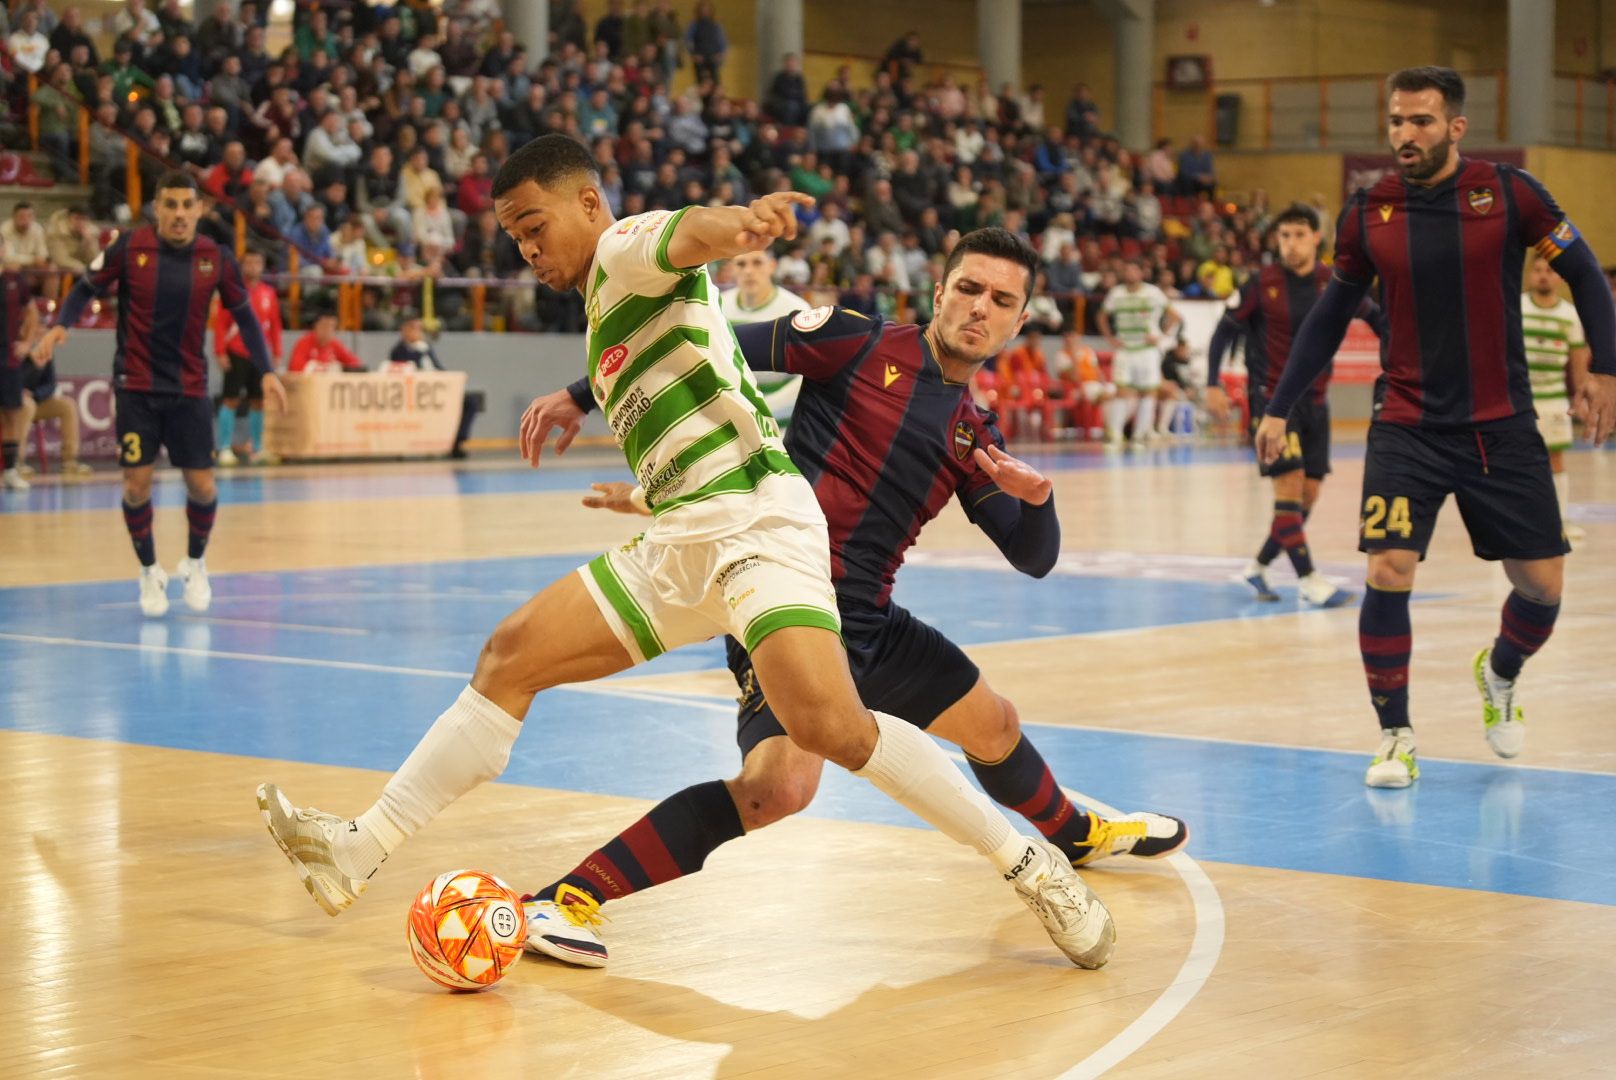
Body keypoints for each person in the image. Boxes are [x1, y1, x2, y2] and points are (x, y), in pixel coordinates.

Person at [256, 134, 1117, 972]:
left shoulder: (627, 247)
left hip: (757, 527)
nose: (525, 250)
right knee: (509, 656)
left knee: (828, 733)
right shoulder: (613, 310)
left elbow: (685, 233)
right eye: (513, 236)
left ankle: (1033, 867)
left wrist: (739, 224)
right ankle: (358, 847)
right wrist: (586, 402)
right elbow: (712, 354)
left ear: (589, 204)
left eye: (533, 225)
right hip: (681, 536)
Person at [520, 228, 1187, 967]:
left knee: (994, 724)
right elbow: (710, 342)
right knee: (778, 788)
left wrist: (1041, 500)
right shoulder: (854, 341)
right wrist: (578, 396)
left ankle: (1079, 837)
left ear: (1021, 321)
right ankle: (567, 898)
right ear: (939, 292)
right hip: (780, 603)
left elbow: (1035, 558)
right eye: (968, 289)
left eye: (1002, 301)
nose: (979, 309)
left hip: (870, 622)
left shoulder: (974, 433)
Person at [1255, 67, 1616, 788]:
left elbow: (1585, 273)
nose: (1404, 136)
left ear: (1455, 127)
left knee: (1543, 588)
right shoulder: (1368, 212)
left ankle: (1501, 671)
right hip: (1407, 425)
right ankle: (1396, 735)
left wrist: (1605, 369)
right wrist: (1280, 402)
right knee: (1388, 571)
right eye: (1395, 121)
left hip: (1503, 426)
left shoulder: (1510, 193)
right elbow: (1330, 314)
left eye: (1420, 121)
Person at [32, 172, 286, 616]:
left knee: (203, 486)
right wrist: (59, 327)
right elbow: (85, 287)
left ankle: (195, 561)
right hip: (136, 388)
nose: (180, 214)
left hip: (188, 391)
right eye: (171, 205)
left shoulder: (216, 257)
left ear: (200, 209)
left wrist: (267, 370)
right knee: (136, 485)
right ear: (156, 207)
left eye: (188, 205)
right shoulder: (130, 248)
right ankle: (150, 571)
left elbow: (245, 316)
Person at [1207, 203, 1383, 608]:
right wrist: (1212, 383)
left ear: (1316, 238)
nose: (1291, 244)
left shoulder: (1333, 282)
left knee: (1307, 496)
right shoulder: (1259, 283)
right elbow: (1222, 333)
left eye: (1299, 235)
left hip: (1317, 404)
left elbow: (1376, 318)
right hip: (1272, 406)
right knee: (1287, 492)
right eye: (1284, 236)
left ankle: (1258, 566)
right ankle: (1308, 580)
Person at [1521, 254, 1591, 541]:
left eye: (1549, 270)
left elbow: (1577, 360)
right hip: (1521, 400)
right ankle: (1517, 521)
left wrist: (1581, 397)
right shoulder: (1518, 307)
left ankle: (1558, 521)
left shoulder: (1570, 315)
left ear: (1559, 277)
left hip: (1553, 400)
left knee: (1555, 459)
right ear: (1529, 276)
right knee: (1517, 460)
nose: (1543, 275)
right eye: (1537, 270)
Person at [211, 249, 283, 466]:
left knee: (258, 401)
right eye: (249, 263)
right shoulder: (233, 291)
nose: (252, 267)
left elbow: (275, 325)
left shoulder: (269, 293)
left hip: (259, 358)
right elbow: (221, 323)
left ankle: (257, 448)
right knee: (231, 399)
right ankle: (224, 447)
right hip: (235, 353)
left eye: (257, 263)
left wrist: (277, 352)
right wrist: (220, 351)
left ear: (262, 266)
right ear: (243, 266)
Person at [719, 247, 808, 421]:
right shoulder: (718, 305)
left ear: (772, 266)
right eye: (741, 264)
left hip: (781, 421)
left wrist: (764, 409)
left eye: (757, 262)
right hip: (732, 413)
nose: (749, 271)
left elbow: (807, 377)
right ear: (732, 268)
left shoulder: (796, 310)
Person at [1097, 258, 1178, 446]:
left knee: (1148, 391)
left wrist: (1160, 335)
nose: (1131, 274)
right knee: (1121, 390)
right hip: (1125, 349)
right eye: (1127, 270)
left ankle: (1141, 434)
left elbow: (1174, 315)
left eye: (1134, 271)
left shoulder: (1153, 293)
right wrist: (1109, 337)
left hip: (1148, 350)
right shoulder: (1116, 293)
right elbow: (1101, 315)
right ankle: (1115, 433)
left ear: (1141, 273)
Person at [385, 317, 481, 459]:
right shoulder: (398, 350)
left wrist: (452, 379)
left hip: (438, 389)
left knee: (471, 401)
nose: (417, 332)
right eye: (414, 328)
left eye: (419, 328)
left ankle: (457, 442)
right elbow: (406, 372)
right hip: (417, 393)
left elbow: (438, 367)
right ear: (404, 330)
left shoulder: (425, 347)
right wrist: (417, 352)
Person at [1, 250, 41, 491]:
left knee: (12, 415)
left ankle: (10, 471)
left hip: (8, 358)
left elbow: (32, 312)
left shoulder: (14, 280)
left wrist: (27, 343)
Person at [287, 312, 364, 373]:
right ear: (316, 326)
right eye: (324, 326)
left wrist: (341, 367)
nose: (328, 330)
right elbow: (295, 367)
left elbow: (356, 364)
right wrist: (323, 368)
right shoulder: (304, 342)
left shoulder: (335, 344)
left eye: (332, 327)